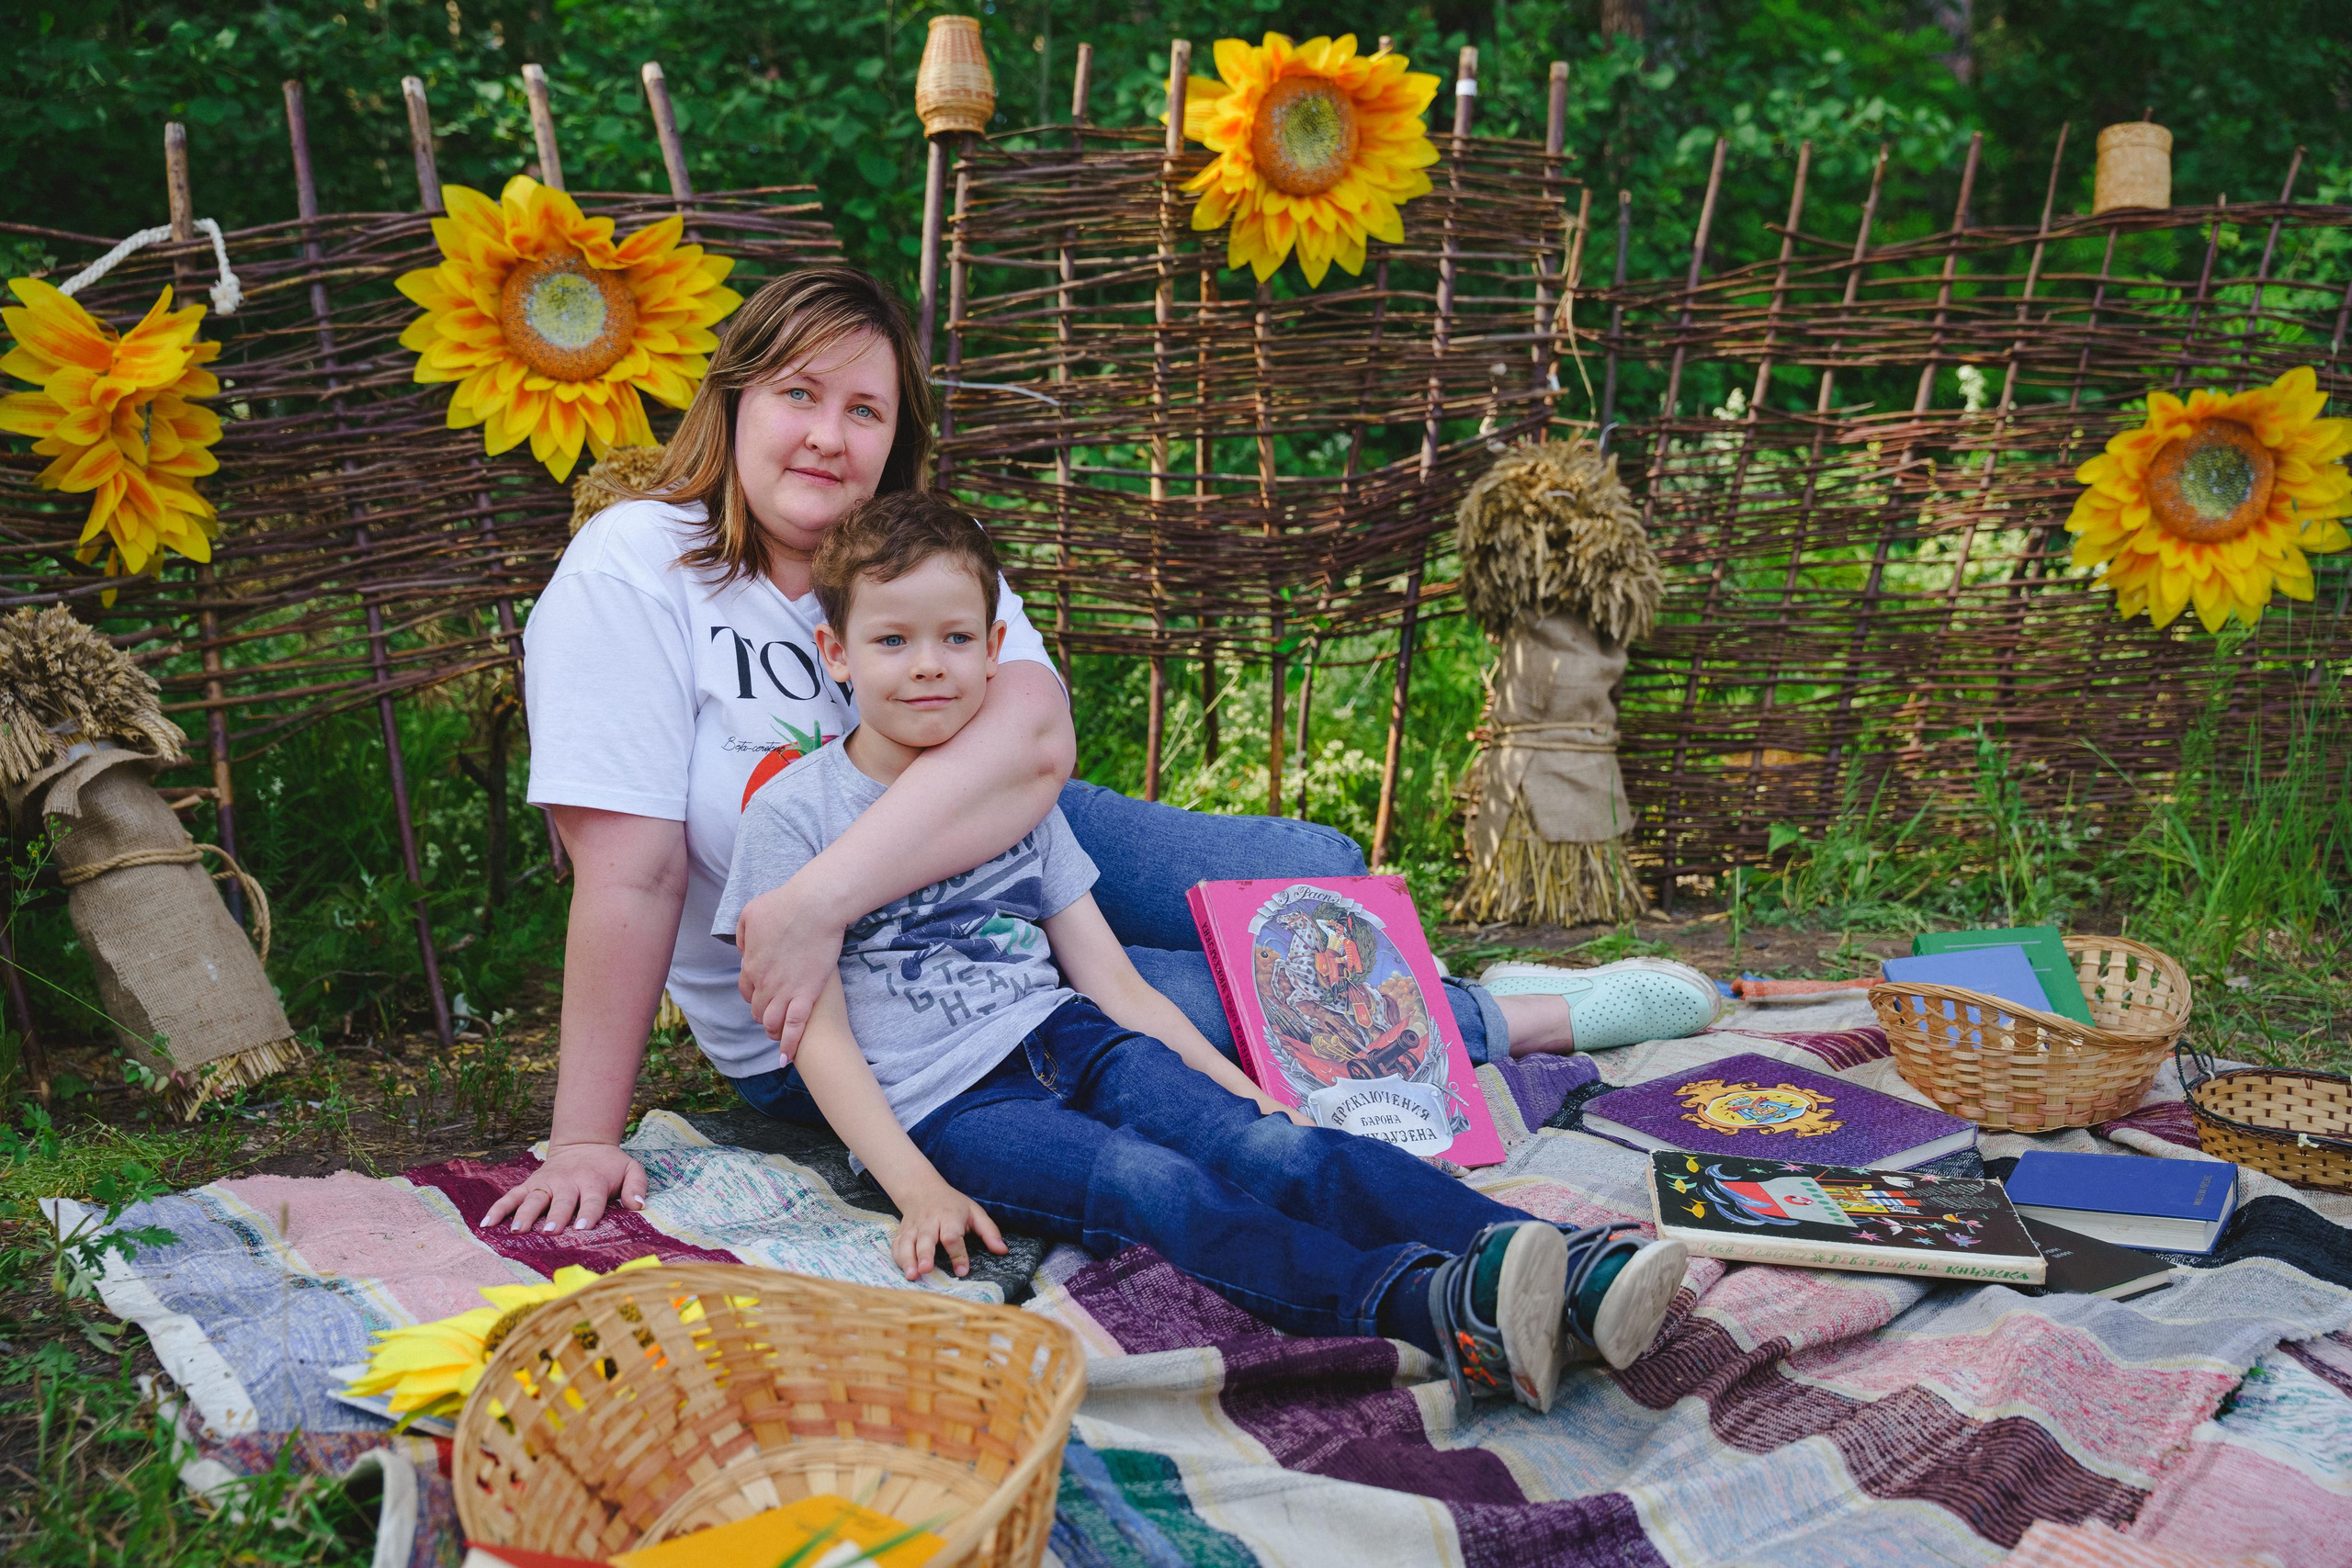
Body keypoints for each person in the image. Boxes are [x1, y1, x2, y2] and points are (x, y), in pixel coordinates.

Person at [488, 265, 1721, 1238]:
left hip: (990, 850)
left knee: (1312, 860)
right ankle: (1499, 1013)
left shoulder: (914, 555)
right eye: (798, 394)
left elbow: (1032, 741)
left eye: (864, 408)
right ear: (735, 401)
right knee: (1211, 1000)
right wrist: (586, 1136)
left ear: (896, 435)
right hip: (858, 1003)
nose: (827, 434)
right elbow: (635, 873)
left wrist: (818, 894)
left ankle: (1404, 977)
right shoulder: (639, 565)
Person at [709, 491, 1690, 1413]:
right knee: (1152, 1183)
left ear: (994, 648)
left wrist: (1236, 1082)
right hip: (954, 1108)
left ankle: (1558, 1263)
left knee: (1269, 1144)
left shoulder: (1009, 796)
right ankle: (1430, 1307)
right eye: (893, 641)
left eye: (954, 639)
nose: (927, 664)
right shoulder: (796, 816)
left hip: (1074, 1038)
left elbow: (1111, 981)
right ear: (835, 653)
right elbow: (818, 1037)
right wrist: (913, 1185)